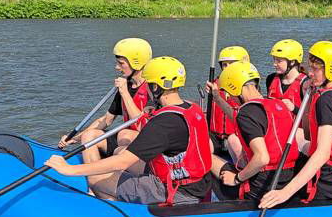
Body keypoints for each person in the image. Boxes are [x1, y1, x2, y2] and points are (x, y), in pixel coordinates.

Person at [45, 56, 212, 206]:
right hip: (196, 183)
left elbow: (122, 162)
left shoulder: (163, 122)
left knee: (97, 179)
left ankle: (120, 216)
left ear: (155, 87)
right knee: (118, 150)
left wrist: (70, 170)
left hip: (176, 191)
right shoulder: (192, 108)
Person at [259, 41, 332, 208]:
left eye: (315, 69)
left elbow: (323, 153)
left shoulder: (328, 100)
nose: (309, 73)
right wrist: (308, 96)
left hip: (326, 181)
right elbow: (310, 134)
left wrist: (284, 192)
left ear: (331, 69)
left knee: (264, 183)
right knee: (298, 137)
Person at [210, 61, 298, 201]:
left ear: (235, 88)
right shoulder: (277, 103)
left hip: (258, 188)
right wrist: (217, 98)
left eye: (229, 94)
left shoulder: (247, 112)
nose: (231, 98)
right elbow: (239, 119)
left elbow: (262, 158)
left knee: (206, 157)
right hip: (286, 179)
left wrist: (236, 179)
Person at [58, 38, 153, 164]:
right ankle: (95, 177)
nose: (117, 67)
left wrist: (124, 92)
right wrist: (75, 138)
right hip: (125, 139)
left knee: (123, 136)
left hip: (144, 142)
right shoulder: (126, 85)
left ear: (136, 63)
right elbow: (106, 120)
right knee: (89, 136)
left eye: (121, 63)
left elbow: (143, 125)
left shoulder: (153, 88)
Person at [206, 45, 250, 162]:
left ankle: (242, 173)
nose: (227, 68)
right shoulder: (215, 84)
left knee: (235, 144)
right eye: (224, 65)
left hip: (236, 136)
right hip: (216, 136)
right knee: (203, 149)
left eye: (231, 64)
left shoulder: (249, 87)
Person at [266, 39, 308, 113]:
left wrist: (294, 109)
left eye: (279, 61)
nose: (274, 64)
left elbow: (311, 116)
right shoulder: (270, 79)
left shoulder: (305, 83)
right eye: (274, 60)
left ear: (292, 62)